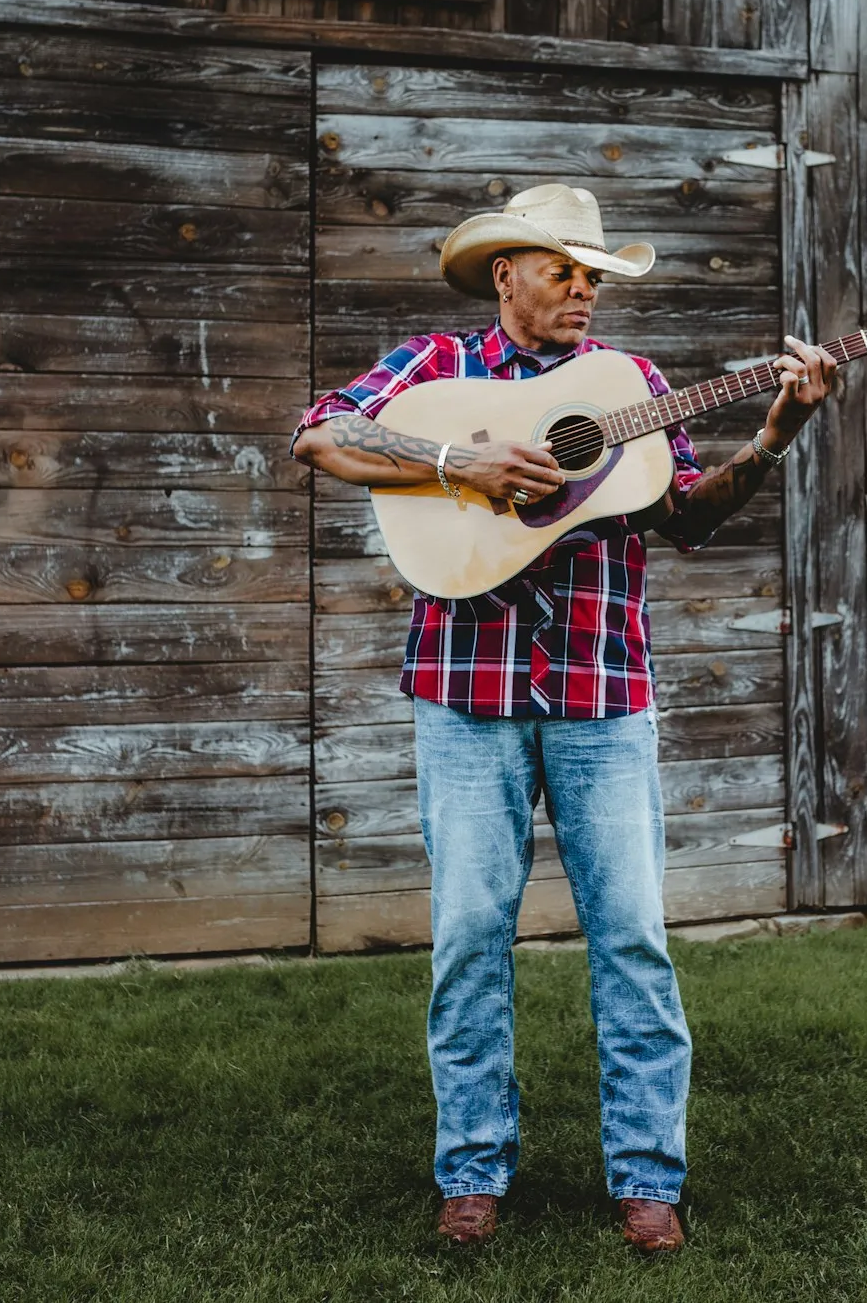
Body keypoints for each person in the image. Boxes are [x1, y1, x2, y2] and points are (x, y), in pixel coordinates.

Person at [290, 183, 835, 1255]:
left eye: (595, 275)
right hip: (466, 695)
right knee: (468, 940)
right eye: (563, 270)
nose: (584, 290)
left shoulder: (630, 385)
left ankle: (647, 1177)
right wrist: (456, 460)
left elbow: (684, 520)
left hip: (602, 697)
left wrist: (779, 429)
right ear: (507, 275)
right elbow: (319, 435)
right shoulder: (437, 369)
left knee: (633, 940)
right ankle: (473, 1170)